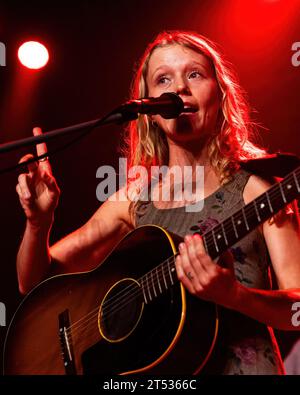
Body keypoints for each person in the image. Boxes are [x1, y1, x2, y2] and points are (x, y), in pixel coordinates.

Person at [16, 30, 300, 375]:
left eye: (194, 74)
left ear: (220, 94)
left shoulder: (259, 189)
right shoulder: (134, 200)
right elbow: (34, 285)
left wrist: (236, 296)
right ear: (148, 109)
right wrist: (37, 223)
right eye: (163, 79)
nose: (179, 88)